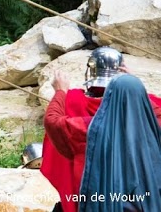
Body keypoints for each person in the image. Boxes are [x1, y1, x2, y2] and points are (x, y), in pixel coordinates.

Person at [43, 51, 161, 212]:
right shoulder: (151, 124)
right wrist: (135, 86)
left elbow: (53, 121)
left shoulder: (90, 128)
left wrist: (60, 91)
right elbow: (153, 109)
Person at [78, 75, 161, 211]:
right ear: (143, 98)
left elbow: (53, 122)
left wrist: (60, 92)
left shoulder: (97, 131)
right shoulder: (153, 128)